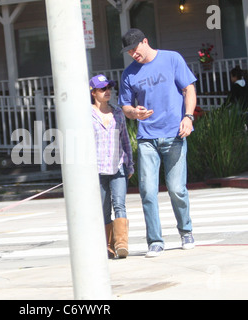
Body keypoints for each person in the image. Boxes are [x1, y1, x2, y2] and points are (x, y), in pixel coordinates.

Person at [118, 29, 197, 258]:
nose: (133, 54)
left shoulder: (172, 58)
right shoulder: (129, 74)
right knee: (148, 191)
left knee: (176, 189)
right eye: (129, 51)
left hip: (174, 134)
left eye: (135, 48)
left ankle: (186, 231)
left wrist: (188, 117)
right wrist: (135, 112)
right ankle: (155, 241)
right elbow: (126, 107)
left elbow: (188, 88)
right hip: (147, 139)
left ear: (145, 41)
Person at [89, 74, 134, 259]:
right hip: (97, 170)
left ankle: (121, 244)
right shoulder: (86, 115)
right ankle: (107, 246)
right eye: (102, 89)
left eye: (109, 88)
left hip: (117, 166)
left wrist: (130, 164)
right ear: (93, 93)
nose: (107, 91)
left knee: (120, 205)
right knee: (103, 207)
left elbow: (125, 141)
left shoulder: (117, 113)